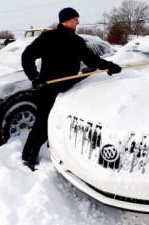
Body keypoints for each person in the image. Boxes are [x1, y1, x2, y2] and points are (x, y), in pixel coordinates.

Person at [21, 7, 122, 171]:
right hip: (48, 88)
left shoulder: (77, 41)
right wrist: (34, 78)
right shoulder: (48, 37)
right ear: (66, 20)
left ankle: (54, 148)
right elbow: (27, 56)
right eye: (76, 19)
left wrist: (108, 66)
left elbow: (91, 60)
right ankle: (28, 158)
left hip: (69, 89)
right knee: (42, 124)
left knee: (61, 123)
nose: (78, 22)